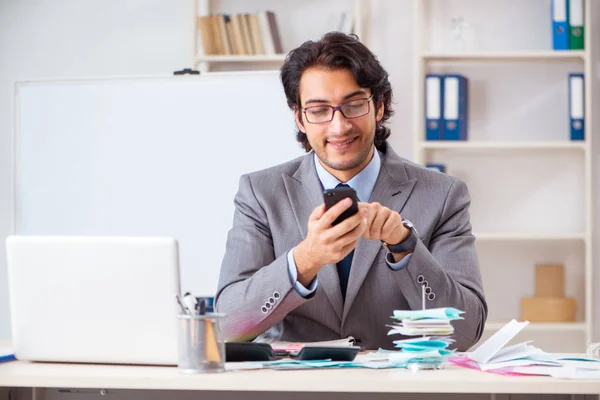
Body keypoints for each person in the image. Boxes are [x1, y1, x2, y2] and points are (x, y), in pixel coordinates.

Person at [215, 32, 487, 351]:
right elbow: (228, 326)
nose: (339, 126)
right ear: (300, 118)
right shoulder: (261, 193)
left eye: (354, 105)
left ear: (379, 106)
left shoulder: (443, 195)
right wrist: (305, 259)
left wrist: (405, 245)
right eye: (319, 110)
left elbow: (464, 333)